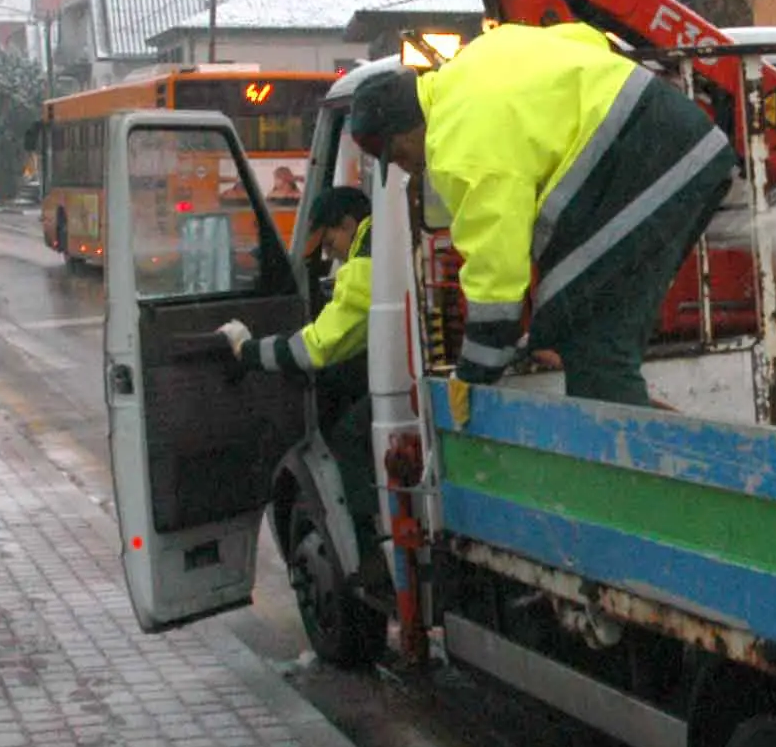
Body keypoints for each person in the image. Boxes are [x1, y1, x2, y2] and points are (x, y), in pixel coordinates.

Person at [341, 28, 733, 407]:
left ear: (404, 132)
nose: (410, 169)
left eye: (399, 157)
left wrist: (474, 374)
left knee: (596, 348)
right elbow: (585, 37)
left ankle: (630, 471)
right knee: (584, 312)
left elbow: (496, 273)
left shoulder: (456, 146)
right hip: (691, 145)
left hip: (652, 164)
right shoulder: (481, 55)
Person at [223, 184, 379, 536]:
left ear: (349, 224)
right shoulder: (389, 237)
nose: (333, 255)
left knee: (348, 435)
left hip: (405, 383)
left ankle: (368, 540)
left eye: (329, 243)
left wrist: (246, 351)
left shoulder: (367, 263)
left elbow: (317, 348)